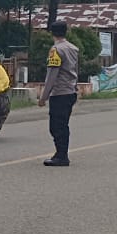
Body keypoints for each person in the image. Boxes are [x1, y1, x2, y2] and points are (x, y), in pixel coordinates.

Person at [37, 20, 80, 167]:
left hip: (60, 92)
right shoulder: (73, 48)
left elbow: (52, 75)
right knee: (63, 124)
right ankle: (61, 153)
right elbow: (75, 70)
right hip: (70, 91)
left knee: (56, 126)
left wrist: (44, 96)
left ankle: (62, 156)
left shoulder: (56, 50)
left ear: (52, 33)